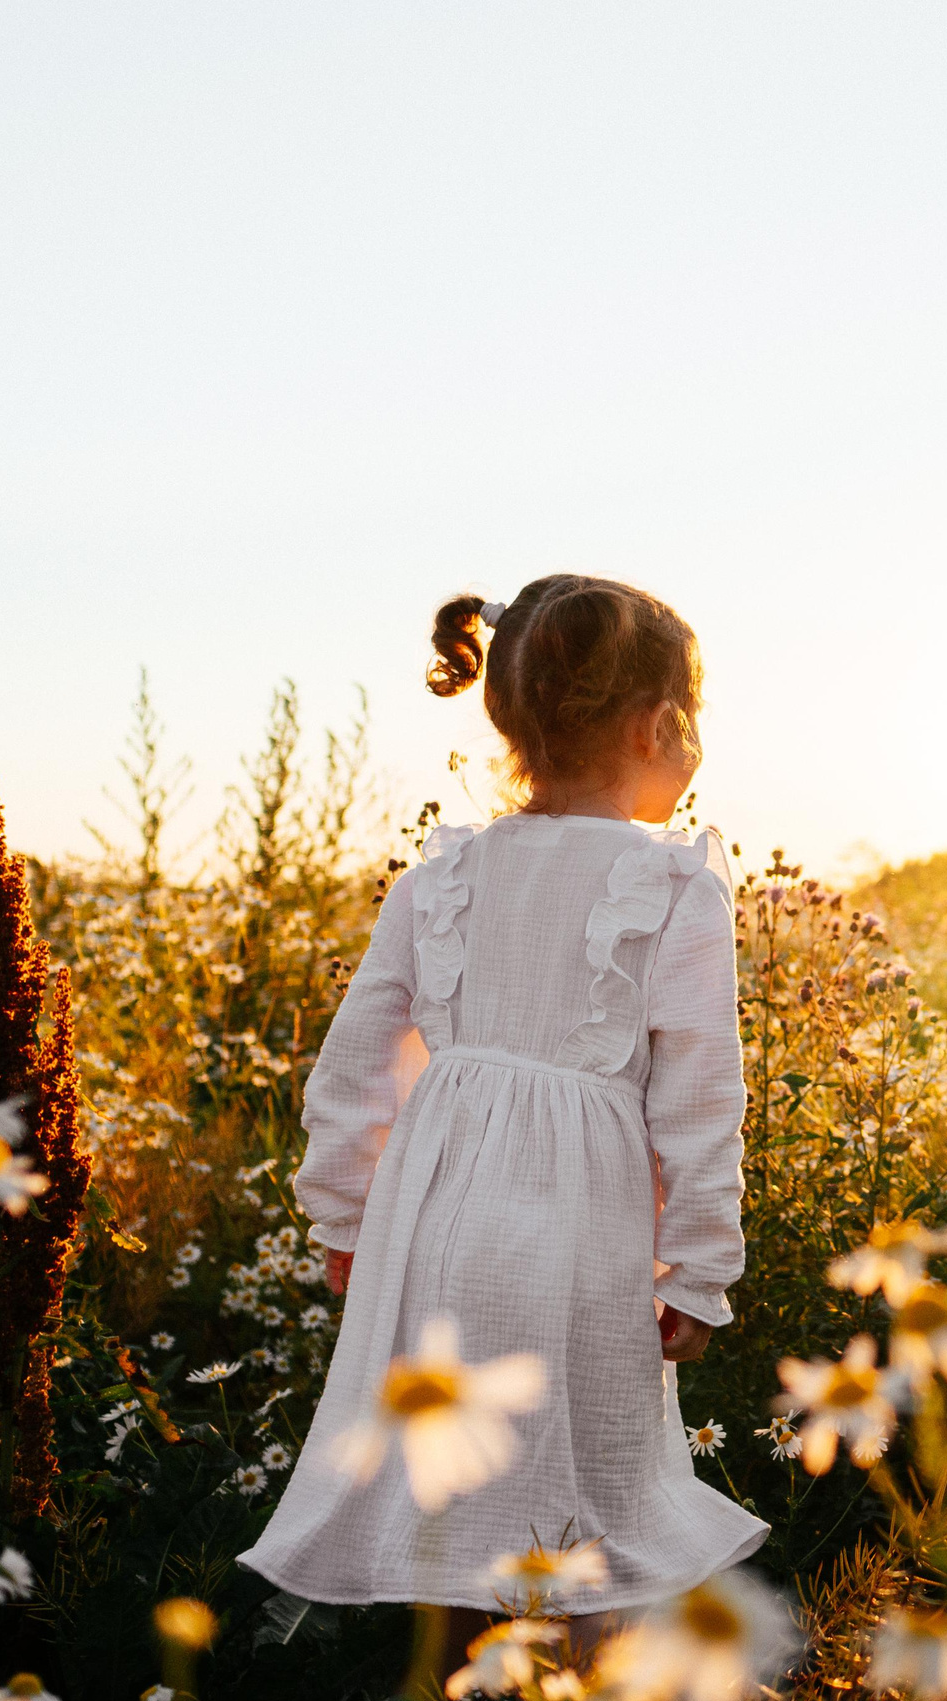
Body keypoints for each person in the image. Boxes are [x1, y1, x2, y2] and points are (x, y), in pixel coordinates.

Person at [240, 575, 765, 1632]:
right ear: (658, 724)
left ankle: (463, 1667)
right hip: (581, 1232)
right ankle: (569, 1673)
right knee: (583, 1477)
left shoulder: (441, 876)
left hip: (434, 1219)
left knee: (456, 1480)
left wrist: (348, 1218)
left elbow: (354, 1063)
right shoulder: (672, 886)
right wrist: (699, 1267)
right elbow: (703, 1097)